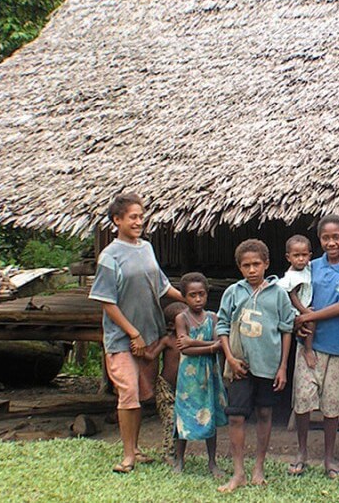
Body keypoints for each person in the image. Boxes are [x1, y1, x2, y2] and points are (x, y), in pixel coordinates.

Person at [89, 192, 184, 474]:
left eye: (141, 217)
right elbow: (107, 301)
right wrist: (132, 333)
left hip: (151, 334)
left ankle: (137, 449)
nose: (139, 221)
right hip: (123, 339)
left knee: (142, 394)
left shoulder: (146, 249)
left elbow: (162, 287)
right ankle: (128, 455)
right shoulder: (109, 256)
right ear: (117, 220)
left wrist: (190, 299)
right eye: (133, 217)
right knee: (128, 392)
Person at [216, 239, 294, 492]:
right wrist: (229, 357)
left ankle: (258, 467)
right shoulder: (233, 292)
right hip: (240, 365)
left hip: (269, 366)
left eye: (256, 264)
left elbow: (286, 330)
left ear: (266, 264)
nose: (252, 270)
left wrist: (282, 367)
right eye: (246, 265)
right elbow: (222, 326)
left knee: (264, 413)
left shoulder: (279, 294)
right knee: (236, 416)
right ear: (239, 267)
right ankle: (238, 472)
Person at [290, 214, 339, 479]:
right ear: (319, 240)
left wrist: (307, 316)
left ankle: (329, 459)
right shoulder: (310, 266)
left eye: (336, 237)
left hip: (336, 346)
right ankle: (301, 453)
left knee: (332, 407)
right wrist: (299, 319)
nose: (331, 242)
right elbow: (293, 291)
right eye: (325, 238)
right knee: (303, 401)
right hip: (308, 344)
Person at [172, 272, 228, 477]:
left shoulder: (213, 317)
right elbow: (184, 349)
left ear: (206, 294)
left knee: (210, 415)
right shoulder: (181, 318)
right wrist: (210, 347)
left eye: (201, 294)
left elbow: (220, 343)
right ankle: (179, 459)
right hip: (188, 378)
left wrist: (195, 343)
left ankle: (212, 462)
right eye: (192, 295)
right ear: (184, 297)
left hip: (210, 375)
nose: (197, 299)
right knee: (183, 416)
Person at [141, 301, 187, 464]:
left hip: (185, 387)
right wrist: (140, 348)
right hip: (166, 386)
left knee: (183, 420)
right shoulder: (168, 340)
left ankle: (178, 454)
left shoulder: (191, 341)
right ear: (171, 325)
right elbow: (151, 355)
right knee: (170, 419)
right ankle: (168, 454)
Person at [278, 234, 317, 368]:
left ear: (309, 256)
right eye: (296, 256)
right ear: (288, 257)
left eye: (304, 255)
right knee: (311, 321)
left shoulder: (308, 268)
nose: (301, 259)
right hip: (295, 309)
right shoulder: (291, 277)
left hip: (304, 306)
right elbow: (293, 297)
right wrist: (304, 311)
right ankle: (308, 349)